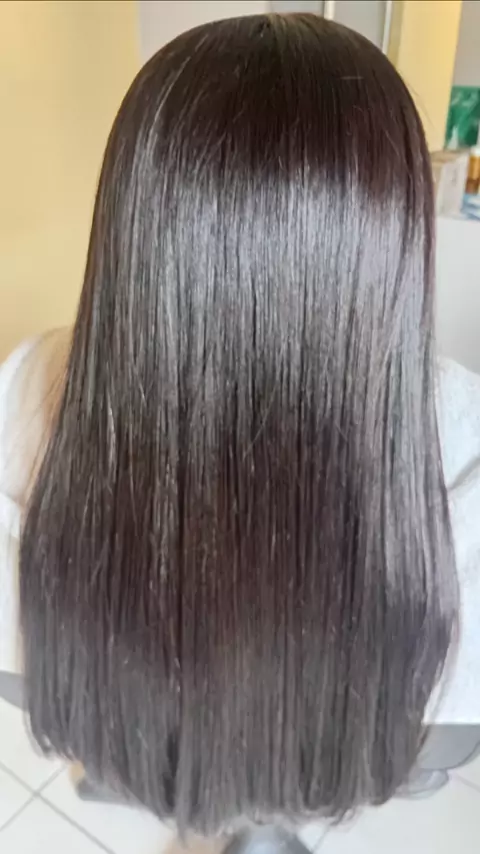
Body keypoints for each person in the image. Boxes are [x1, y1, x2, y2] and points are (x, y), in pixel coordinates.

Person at [0, 11, 478, 838]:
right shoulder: (464, 426)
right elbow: (453, 710)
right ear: (390, 231)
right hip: (327, 750)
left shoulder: (28, 380)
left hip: (135, 734)